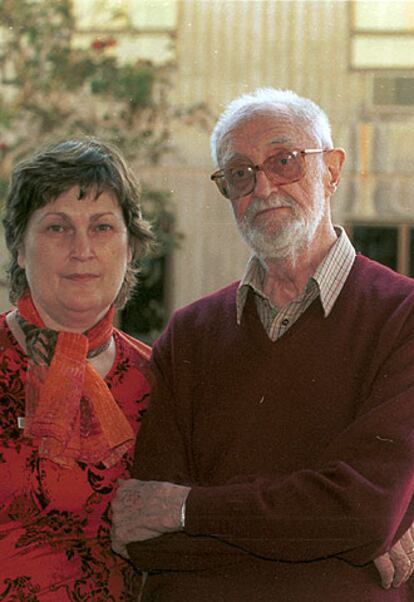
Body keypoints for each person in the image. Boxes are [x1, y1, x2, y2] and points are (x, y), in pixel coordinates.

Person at [111, 89, 414, 601]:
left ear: (333, 169)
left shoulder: (401, 316)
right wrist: (337, 538)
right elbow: (143, 537)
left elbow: (363, 512)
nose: (264, 185)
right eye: (239, 173)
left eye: (284, 160)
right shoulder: (189, 335)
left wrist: (189, 510)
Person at [0, 137, 154, 601]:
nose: (81, 249)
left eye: (103, 227)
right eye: (56, 228)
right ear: (20, 250)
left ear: (130, 249)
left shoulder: (161, 381)